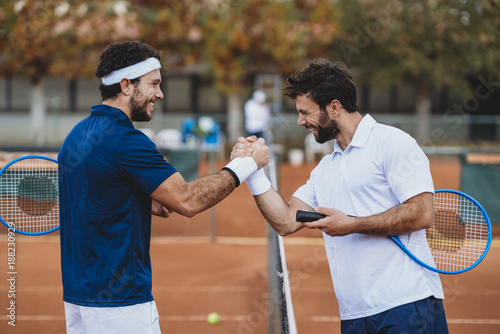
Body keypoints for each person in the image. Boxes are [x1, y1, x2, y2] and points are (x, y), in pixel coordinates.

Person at [57, 40, 269, 334]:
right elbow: (188, 200)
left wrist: (142, 200)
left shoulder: (76, 136)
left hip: (79, 300)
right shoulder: (127, 140)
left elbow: (99, 195)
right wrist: (247, 165)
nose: (160, 93)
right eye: (153, 84)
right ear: (126, 85)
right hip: (121, 305)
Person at [232, 59, 449, 333]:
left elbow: (422, 212)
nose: (300, 121)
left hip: (407, 304)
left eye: (305, 112)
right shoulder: (326, 168)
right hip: (354, 315)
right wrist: (252, 172)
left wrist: (353, 224)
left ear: (334, 107)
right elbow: (286, 221)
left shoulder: (392, 142)